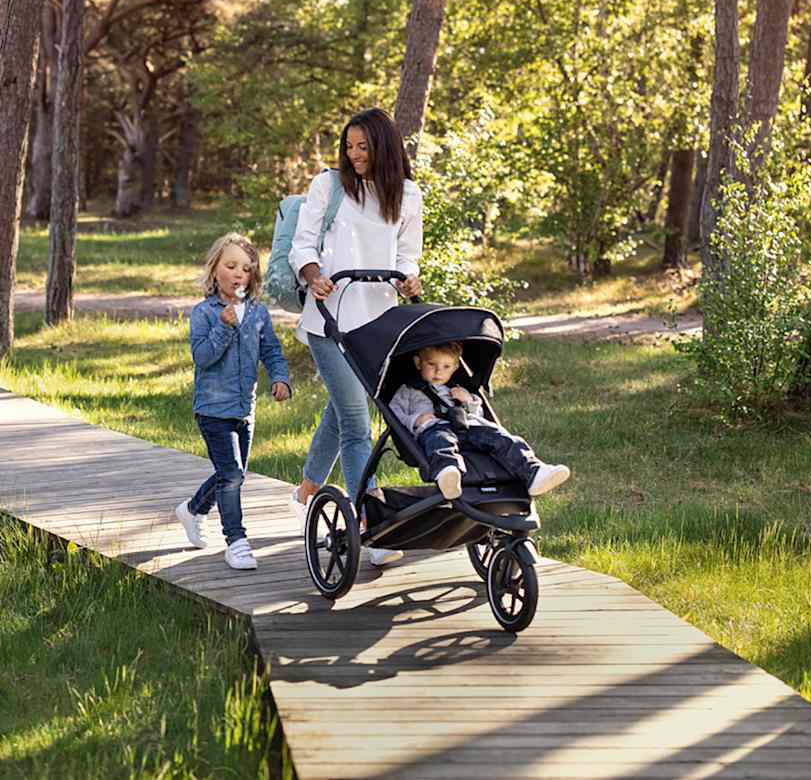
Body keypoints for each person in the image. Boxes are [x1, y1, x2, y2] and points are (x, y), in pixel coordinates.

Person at [288, 107, 423, 568]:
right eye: (349, 146)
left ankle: (309, 483)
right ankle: (373, 524)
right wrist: (313, 274)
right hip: (328, 317)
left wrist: (408, 278)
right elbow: (301, 244)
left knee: (342, 407)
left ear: (383, 147)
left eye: (363, 147)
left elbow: (408, 254)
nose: (354, 154)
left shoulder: (406, 194)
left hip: (377, 322)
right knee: (355, 420)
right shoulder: (328, 186)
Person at [176, 233, 292, 570]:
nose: (239, 273)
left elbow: (271, 350)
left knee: (233, 472)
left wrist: (280, 377)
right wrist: (224, 327)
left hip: (245, 409)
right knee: (232, 476)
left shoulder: (258, 313)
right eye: (230, 266)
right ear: (215, 271)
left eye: (246, 268)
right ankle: (236, 541)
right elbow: (203, 357)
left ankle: (194, 509)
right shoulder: (204, 313)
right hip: (212, 410)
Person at [387, 341, 571, 500]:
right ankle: (448, 473)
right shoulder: (408, 390)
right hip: (434, 428)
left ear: (456, 367)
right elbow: (395, 412)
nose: (438, 371)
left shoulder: (458, 388)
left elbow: (478, 415)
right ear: (418, 363)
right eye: (431, 364)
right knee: (440, 441)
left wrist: (468, 401)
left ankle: (534, 473)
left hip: (468, 428)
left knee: (502, 437)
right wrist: (415, 419)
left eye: (446, 367)